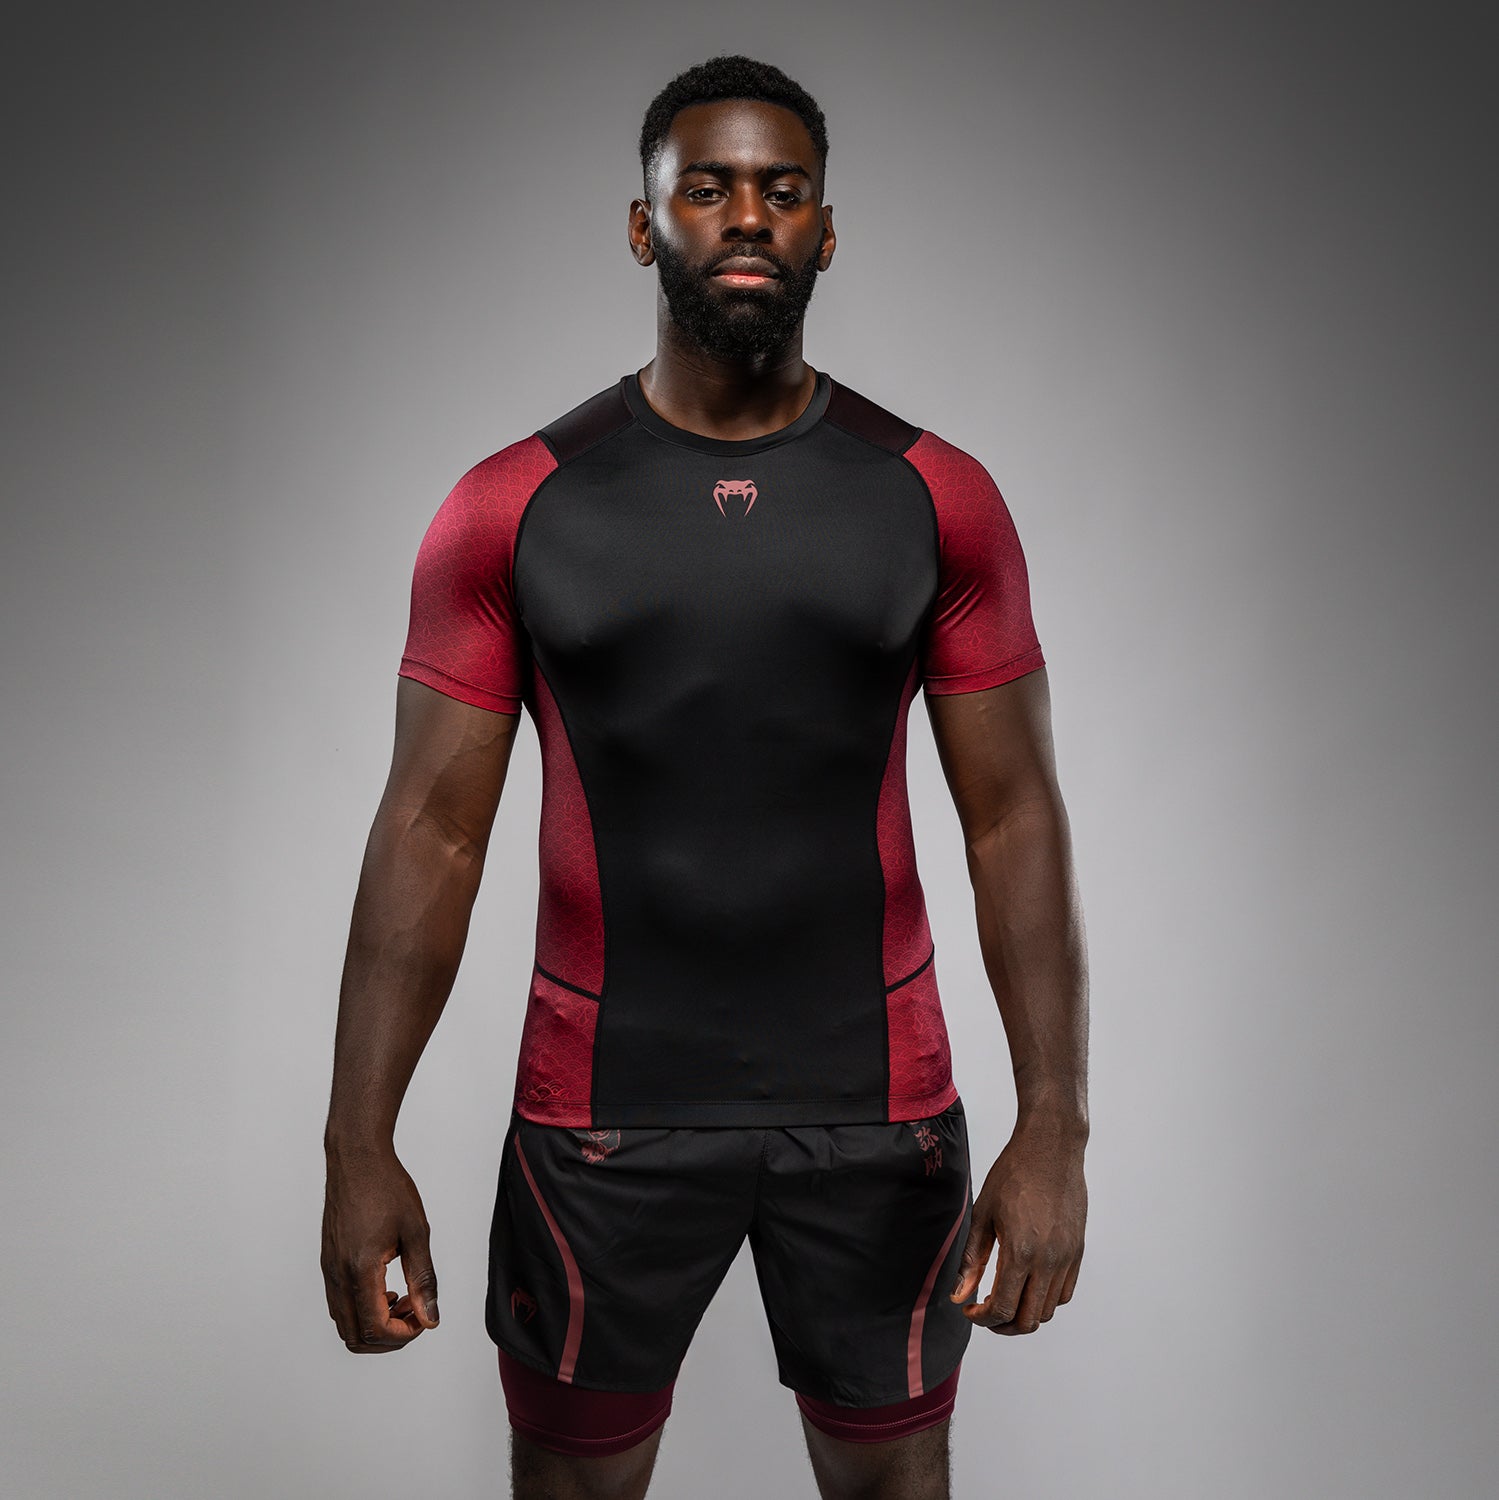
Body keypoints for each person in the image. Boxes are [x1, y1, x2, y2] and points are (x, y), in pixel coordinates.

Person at [321, 53, 1089, 1500]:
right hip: (598, 1118)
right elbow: (429, 834)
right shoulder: (513, 507)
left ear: (826, 231)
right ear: (644, 224)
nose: (746, 216)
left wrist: (1056, 1125)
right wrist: (357, 1143)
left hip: (879, 1115)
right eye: (707, 188)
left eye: (782, 192)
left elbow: (1013, 820)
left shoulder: (935, 496)